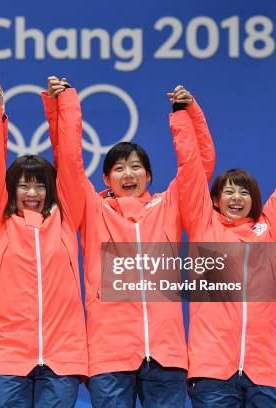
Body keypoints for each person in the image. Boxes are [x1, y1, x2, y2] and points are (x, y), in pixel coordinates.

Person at [46, 83, 215, 407]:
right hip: (109, 353)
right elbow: (67, 158)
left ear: (149, 176)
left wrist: (186, 114)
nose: (128, 173)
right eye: (119, 167)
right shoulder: (93, 210)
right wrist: (65, 103)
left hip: (166, 353)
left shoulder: (168, 206)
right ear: (106, 179)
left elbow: (200, 165)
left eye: (136, 166)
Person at [177, 107, 276, 407]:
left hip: (263, 372)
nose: (236, 198)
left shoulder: (268, 230)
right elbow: (190, 171)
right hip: (212, 371)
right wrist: (183, 115)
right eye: (228, 192)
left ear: (253, 200)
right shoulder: (203, 227)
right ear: (215, 200)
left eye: (244, 193)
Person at [0, 72, 87, 407]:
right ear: (11, 189)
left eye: (40, 185)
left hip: (62, 355)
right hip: (5, 355)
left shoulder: (66, 219)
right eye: (24, 185)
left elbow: (70, 158)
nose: (33, 192)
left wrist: (65, 104)